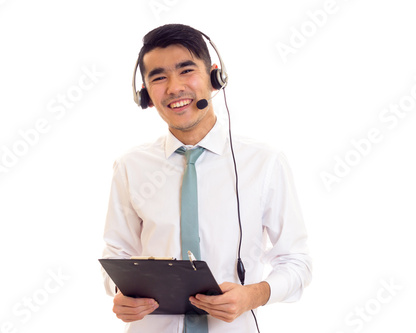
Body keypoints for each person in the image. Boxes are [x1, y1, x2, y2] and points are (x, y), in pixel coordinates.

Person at [101, 24, 312, 332]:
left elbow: (297, 262)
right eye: (158, 77)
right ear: (144, 93)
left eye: (186, 71)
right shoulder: (130, 166)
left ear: (215, 78)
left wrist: (254, 294)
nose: (174, 88)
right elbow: (117, 254)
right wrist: (120, 292)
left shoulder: (264, 162)